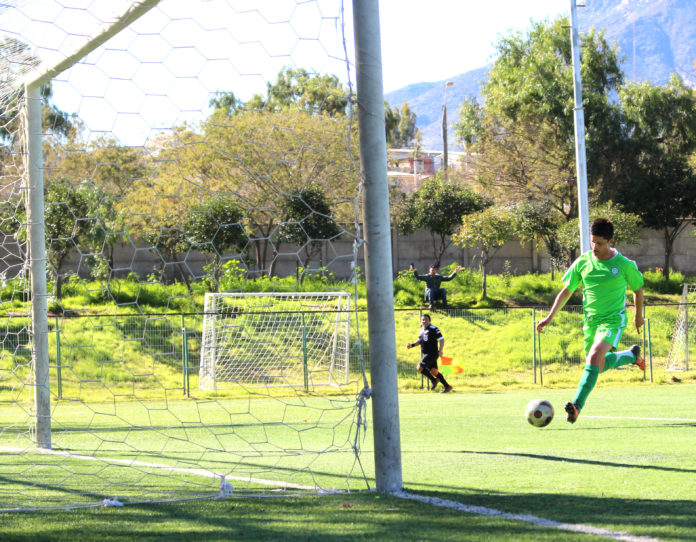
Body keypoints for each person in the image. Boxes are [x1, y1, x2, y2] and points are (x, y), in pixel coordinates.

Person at [536, 218, 645, 424]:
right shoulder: (584, 262)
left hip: (612, 321)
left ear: (610, 241)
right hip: (591, 322)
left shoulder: (623, 265)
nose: (595, 247)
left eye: (600, 243)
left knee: (595, 355)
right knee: (598, 365)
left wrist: (637, 317)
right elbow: (567, 291)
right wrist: (549, 317)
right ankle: (632, 356)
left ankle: (576, 406)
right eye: (593, 242)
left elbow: (637, 290)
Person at [407, 313, 453, 393]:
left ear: (429, 321)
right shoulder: (421, 329)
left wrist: (441, 350)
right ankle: (447, 386)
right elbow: (420, 341)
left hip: (432, 353)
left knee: (419, 367)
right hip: (427, 354)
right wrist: (412, 345)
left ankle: (434, 380)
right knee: (434, 371)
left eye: (426, 320)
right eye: (422, 320)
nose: (424, 321)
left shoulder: (434, 329)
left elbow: (441, 339)